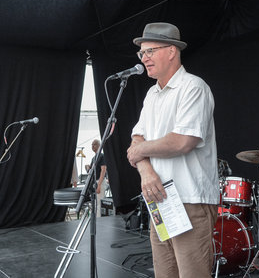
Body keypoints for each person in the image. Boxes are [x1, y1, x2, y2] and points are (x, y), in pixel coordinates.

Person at [126, 22, 219, 278]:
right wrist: (146, 172)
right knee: (164, 273)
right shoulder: (151, 94)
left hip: (189, 199)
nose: (144, 58)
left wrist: (140, 151)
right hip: (160, 200)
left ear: (171, 51)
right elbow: (136, 138)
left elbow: (182, 141)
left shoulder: (193, 87)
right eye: (142, 53)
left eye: (150, 51)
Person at [85, 139, 108, 217]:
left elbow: (103, 170)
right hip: (95, 182)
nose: (92, 146)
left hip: (99, 181)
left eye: (94, 144)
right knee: (95, 203)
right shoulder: (94, 158)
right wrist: (88, 167)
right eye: (92, 145)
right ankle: (96, 218)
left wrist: (99, 185)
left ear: (99, 146)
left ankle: (99, 219)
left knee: (99, 203)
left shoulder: (102, 156)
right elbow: (92, 170)